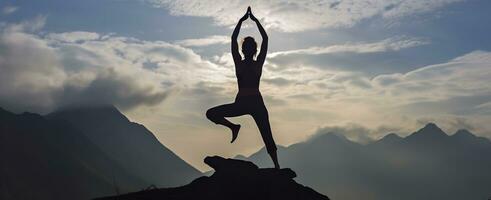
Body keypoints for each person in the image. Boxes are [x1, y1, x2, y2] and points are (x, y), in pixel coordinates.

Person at [206, 7, 280, 169]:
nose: (246, 48)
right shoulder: (252, 64)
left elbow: (237, 40)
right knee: (211, 114)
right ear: (253, 50)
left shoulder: (250, 64)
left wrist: (243, 21)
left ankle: (277, 166)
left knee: (267, 134)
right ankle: (234, 127)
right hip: (247, 103)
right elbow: (263, 39)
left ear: (250, 50)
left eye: (247, 46)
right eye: (246, 46)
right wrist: (252, 21)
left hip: (252, 103)